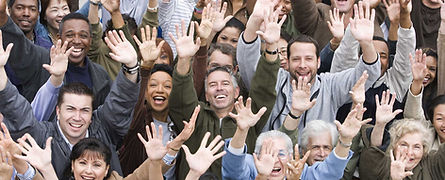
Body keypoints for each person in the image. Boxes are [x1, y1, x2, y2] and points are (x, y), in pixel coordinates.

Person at [0, 27, 139, 178]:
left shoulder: (103, 129)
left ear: (92, 114)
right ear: (58, 111)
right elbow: (16, 110)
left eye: (84, 110)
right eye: (71, 109)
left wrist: (131, 67)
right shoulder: (41, 135)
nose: (77, 117)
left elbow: (120, 102)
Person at [168, 11, 280, 178]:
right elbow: (181, 96)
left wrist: (271, 47)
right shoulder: (196, 116)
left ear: (236, 92)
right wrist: (184, 59)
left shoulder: (248, 115)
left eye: (225, 83)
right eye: (213, 85)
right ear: (206, 95)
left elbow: (264, 89)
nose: (219, 88)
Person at [0, 1, 112, 109]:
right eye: (70, 35)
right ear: (59, 38)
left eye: (83, 36)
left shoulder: (101, 76)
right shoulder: (42, 59)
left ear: (90, 40)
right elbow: (19, 44)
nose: (77, 41)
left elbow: (107, 116)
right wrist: (2, 14)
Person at [222, 100, 370, 179]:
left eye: (280, 154)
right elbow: (233, 169)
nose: (274, 161)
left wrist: (345, 140)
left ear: (291, 157)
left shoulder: (302, 173)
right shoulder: (250, 166)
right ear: (256, 156)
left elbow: (331, 172)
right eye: (268, 153)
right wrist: (242, 130)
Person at [330, 0, 414, 123]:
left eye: (383, 56)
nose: (377, 60)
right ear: (359, 57)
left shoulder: (394, 82)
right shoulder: (347, 79)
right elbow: (346, 53)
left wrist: (405, 15)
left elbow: (406, 50)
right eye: (371, 53)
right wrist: (361, 14)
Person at [118, 26, 182, 179]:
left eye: (167, 86)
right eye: (153, 85)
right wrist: (145, 68)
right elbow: (135, 101)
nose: (159, 90)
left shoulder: (180, 124)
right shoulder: (137, 121)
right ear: (145, 93)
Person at [359, 118, 445, 180]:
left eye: (417, 147)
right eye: (404, 145)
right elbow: (374, 152)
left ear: (424, 149)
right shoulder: (382, 164)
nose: (409, 152)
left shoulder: (431, 164)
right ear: (394, 145)